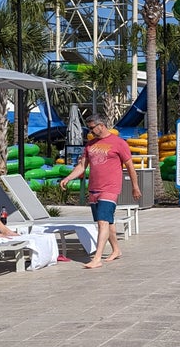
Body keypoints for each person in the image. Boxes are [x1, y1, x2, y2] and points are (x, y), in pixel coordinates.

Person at [60, 115, 140, 269]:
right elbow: (82, 166)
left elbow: (130, 166)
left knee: (102, 222)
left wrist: (135, 186)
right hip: (94, 188)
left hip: (110, 188)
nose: (90, 131)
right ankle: (116, 250)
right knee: (107, 222)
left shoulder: (119, 143)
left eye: (92, 128)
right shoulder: (90, 145)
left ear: (101, 125)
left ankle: (97, 259)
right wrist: (68, 178)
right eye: (88, 128)